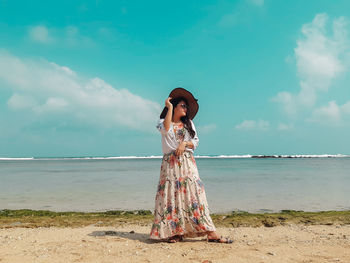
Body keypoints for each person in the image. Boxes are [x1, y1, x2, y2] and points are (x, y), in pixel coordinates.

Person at [149, 87, 233, 243]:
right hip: (170, 164)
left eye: (186, 106)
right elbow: (166, 129)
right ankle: (176, 232)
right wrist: (169, 108)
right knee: (171, 197)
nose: (185, 108)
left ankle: (211, 232)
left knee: (195, 195)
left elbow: (195, 142)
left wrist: (184, 144)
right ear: (174, 107)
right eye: (182, 105)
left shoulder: (189, 124)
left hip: (187, 163)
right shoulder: (163, 122)